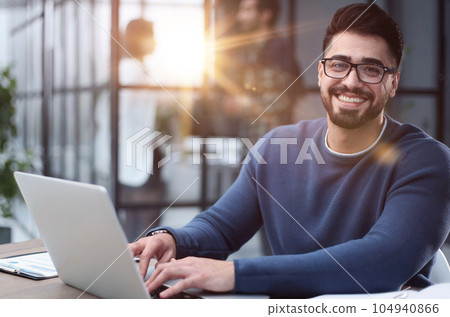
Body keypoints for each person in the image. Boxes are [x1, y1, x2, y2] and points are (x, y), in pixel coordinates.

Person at [130, 3, 450, 298]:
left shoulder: (427, 161)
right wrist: (170, 239)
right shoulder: (277, 147)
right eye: (339, 64)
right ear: (321, 72)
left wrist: (236, 274)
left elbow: (383, 263)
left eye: (371, 69)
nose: (351, 81)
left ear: (393, 83)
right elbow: (220, 228)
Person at [196, 0, 304, 139]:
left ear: (265, 15)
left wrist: (241, 105)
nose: (239, 17)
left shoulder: (278, 50)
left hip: (273, 144)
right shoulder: (248, 52)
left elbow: (283, 99)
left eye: (247, 10)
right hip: (249, 140)